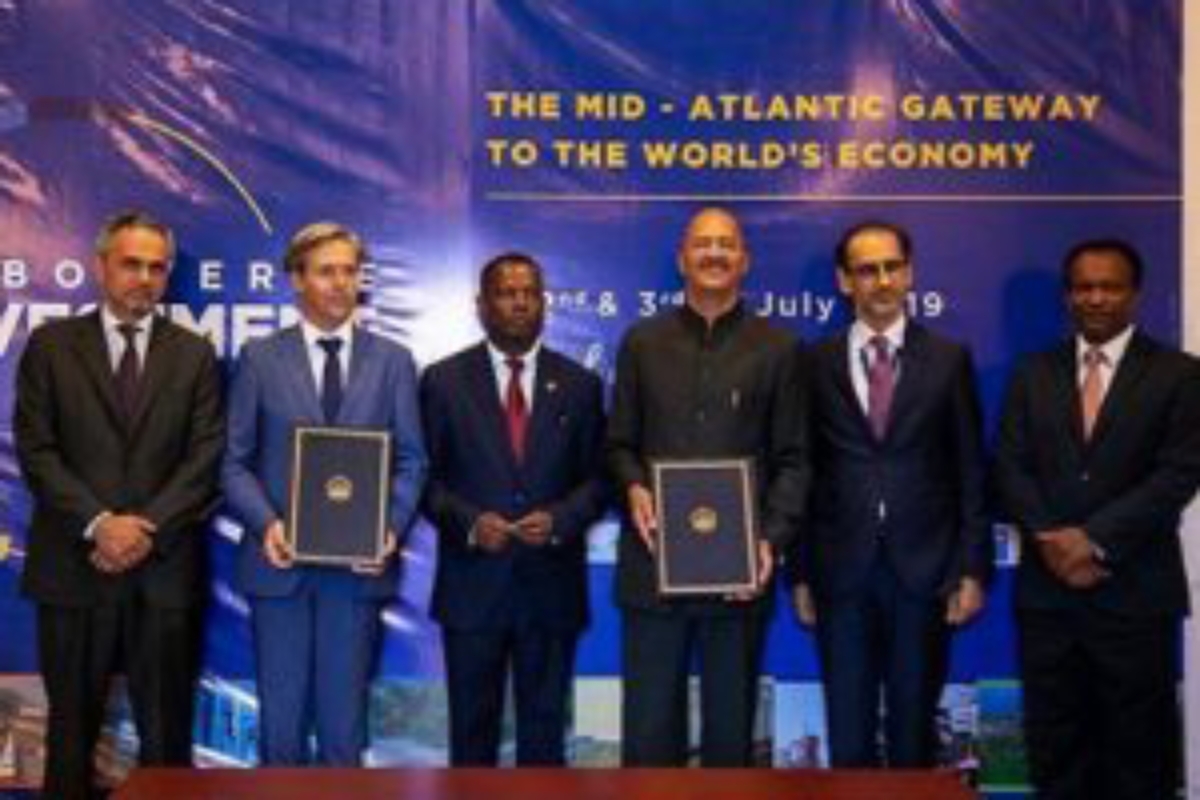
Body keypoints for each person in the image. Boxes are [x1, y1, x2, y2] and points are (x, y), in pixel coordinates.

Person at [13, 210, 224, 799]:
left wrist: (143, 530)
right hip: (73, 570)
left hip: (162, 572)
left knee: (166, 742)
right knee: (70, 739)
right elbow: (37, 450)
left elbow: (204, 458)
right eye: (132, 264)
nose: (145, 278)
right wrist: (102, 525)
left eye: (158, 268)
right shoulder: (51, 347)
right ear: (101, 266)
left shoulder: (194, 355)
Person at [993, 238, 1200, 800]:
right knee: (1056, 747)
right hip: (1048, 597)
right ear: (1067, 297)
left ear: (1134, 294)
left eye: (1110, 287)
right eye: (1084, 287)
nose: (1096, 298)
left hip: (1133, 592)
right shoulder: (1031, 373)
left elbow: (1178, 474)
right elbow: (1010, 467)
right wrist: (1053, 544)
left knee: (1139, 752)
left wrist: (1094, 541)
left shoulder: (1179, 375)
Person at [605, 207, 808, 766]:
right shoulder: (642, 343)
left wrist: (769, 540)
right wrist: (633, 488)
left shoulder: (779, 348)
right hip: (653, 570)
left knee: (729, 742)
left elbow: (795, 459)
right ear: (681, 260)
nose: (714, 253)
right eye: (702, 244)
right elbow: (617, 444)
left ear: (744, 260)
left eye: (726, 244)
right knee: (648, 738)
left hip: (740, 574)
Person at [222, 222, 427, 766]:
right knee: (281, 733)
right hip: (279, 566)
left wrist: (389, 526)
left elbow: (412, 460)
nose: (341, 284)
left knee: (343, 733)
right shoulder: (261, 358)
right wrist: (268, 523)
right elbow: (233, 462)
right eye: (326, 271)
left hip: (356, 572)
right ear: (296, 280)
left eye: (349, 271)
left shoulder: (393, 361)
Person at [789, 220, 991, 768]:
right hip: (841, 572)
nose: (880, 281)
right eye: (866, 270)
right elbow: (802, 470)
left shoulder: (949, 359)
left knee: (912, 734)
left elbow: (971, 470)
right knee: (848, 734)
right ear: (844, 281)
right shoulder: (813, 362)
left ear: (910, 273)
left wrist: (973, 569)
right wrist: (801, 572)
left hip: (924, 572)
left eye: (891, 267)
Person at [421, 252, 607, 766]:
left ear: (544, 303)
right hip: (472, 587)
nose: (520, 302)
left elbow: (600, 479)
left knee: (544, 738)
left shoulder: (581, 385)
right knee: (472, 736)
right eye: (506, 292)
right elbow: (421, 480)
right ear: (481, 305)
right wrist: (470, 524)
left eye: (530, 292)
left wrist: (562, 520)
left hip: (550, 586)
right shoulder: (443, 381)